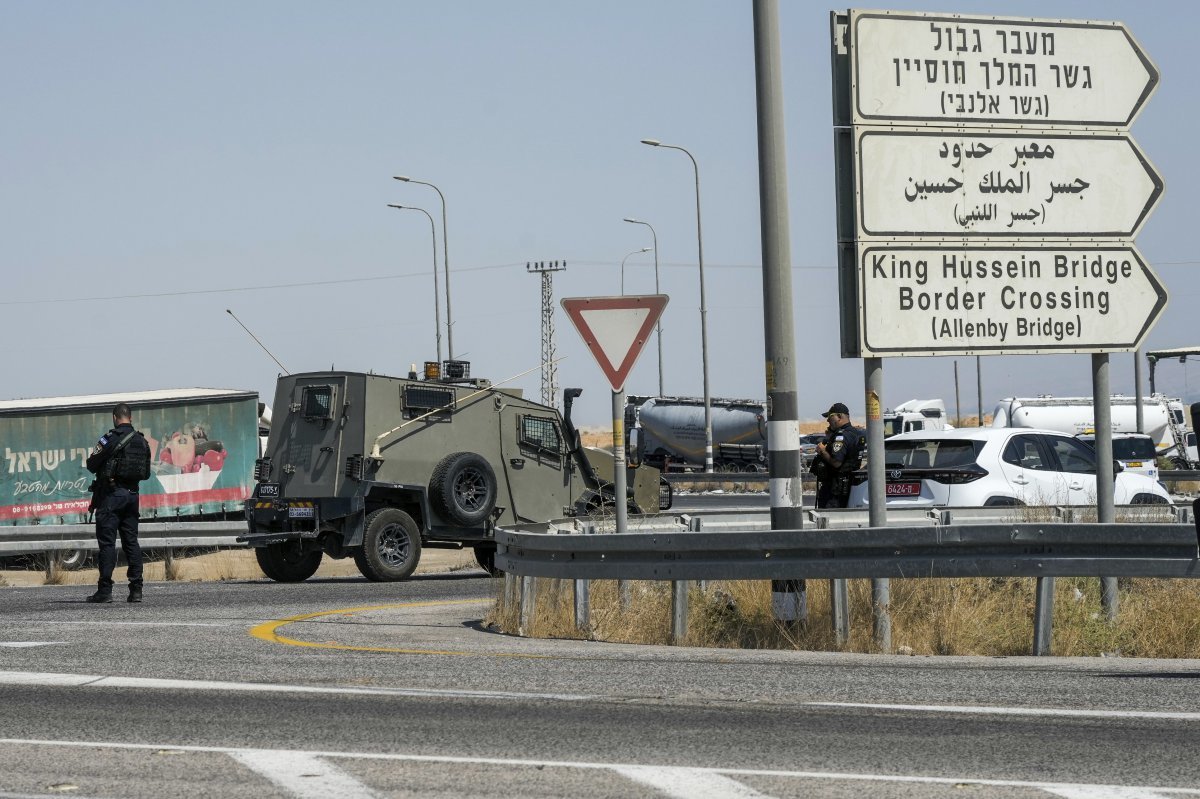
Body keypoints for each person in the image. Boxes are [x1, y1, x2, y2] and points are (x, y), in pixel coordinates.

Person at [85, 403, 152, 603]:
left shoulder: (109, 439)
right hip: (133, 496)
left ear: (115, 417)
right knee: (131, 541)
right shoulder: (141, 441)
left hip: (112, 497)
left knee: (107, 543)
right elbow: (146, 474)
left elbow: (91, 464)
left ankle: (105, 590)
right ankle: (136, 590)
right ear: (130, 418)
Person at [811, 402, 865, 509]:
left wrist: (822, 451)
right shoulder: (854, 433)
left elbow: (836, 462)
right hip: (846, 485)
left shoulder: (841, 436)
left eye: (830, 417)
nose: (827, 421)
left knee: (828, 520)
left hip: (835, 490)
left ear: (839, 417)